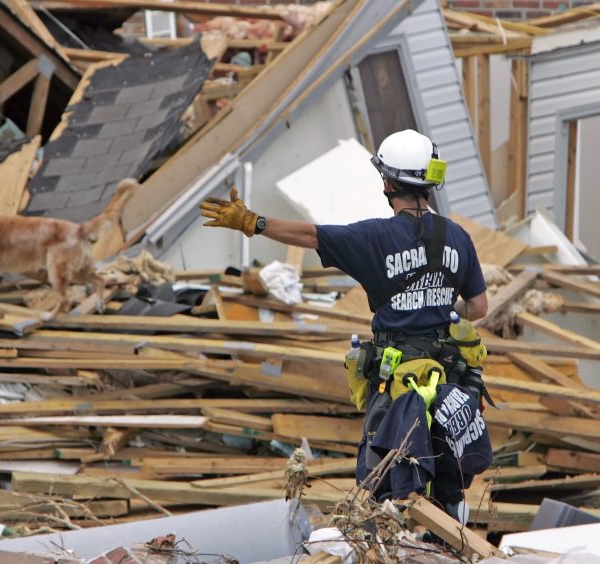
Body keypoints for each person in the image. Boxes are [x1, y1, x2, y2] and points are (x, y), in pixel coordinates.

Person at [199, 129, 490, 521]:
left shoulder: (374, 238)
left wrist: (254, 221)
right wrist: (435, 304)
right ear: (431, 181)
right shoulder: (459, 237)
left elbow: (310, 234)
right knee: (446, 475)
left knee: (385, 476)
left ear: (388, 182)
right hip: (446, 380)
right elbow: (479, 306)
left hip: (398, 385)